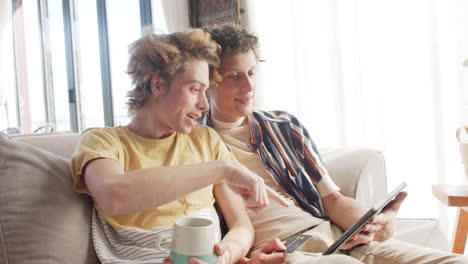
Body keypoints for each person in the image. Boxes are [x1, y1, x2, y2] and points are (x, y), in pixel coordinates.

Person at [201, 23, 468, 264]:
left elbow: (334, 201)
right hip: (286, 253)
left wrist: (374, 224)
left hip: (337, 240)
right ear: (208, 81)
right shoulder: (196, 146)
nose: (249, 85)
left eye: (251, 72)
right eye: (234, 76)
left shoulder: (284, 126)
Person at [70, 29, 288, 264]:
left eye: (205, 91)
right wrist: (222, 168)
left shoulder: (206, 140)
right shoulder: (103, 142)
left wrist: (225, 255)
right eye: (194, 89)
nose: (204, 104)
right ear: (157, 84)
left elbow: (241, 227)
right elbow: (113, 196)